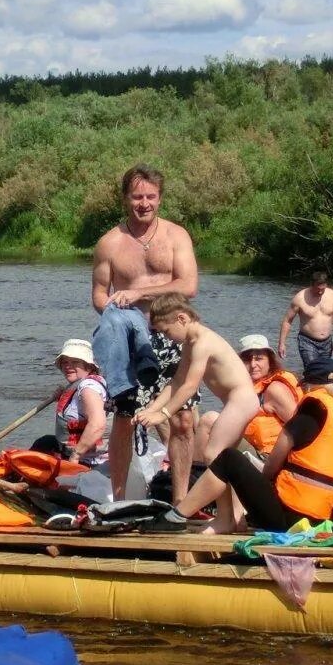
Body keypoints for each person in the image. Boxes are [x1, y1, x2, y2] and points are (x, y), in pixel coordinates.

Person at [90, 164, 199, 500]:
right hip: (128, 340)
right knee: (124, 419)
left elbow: (188, 285)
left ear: (160, 199)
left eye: (151, 196)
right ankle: (119, 500)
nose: (144, 203)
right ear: (126, 198)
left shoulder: (176, 235)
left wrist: (139, 294)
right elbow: (98, 294)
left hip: (174, 334)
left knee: (182, 420)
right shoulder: (110, 242)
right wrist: (115, 311)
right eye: (137, 196)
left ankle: (180, 502)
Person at [201, 358, 333, 533]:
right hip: (329, 519)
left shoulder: (309, 415)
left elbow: (269, 470)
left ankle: (180, 515)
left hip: (290, 518)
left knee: (229, 458)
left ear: (310, 388)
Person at [135, 295, 262, 524]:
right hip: (235, 401)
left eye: (166, 331)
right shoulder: (189, 344)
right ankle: (235, 517)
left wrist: (162, 415)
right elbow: (176, 382)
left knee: (214, 456)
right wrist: (151, 408)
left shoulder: (203, 342)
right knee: (224, 460)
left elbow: (190, 386)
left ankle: (224, 519)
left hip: (242, 400)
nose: (166, 338)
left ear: (181, 318)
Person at [47, 339, 109, 467]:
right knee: (44, 442)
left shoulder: (88, 389)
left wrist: (75, 456)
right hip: (77, 454)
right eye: (65, 362)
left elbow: (98, 425)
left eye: (75, 362)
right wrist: (64, 395)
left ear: (89, 365)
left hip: (90, 462)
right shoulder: (87, 383)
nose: (68, 366)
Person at [278, 270, 333, 373]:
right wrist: (282, 343)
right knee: (313, 369)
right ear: (311, 285)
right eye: (317, 289)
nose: (320, 292)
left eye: (322, 289)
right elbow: (287, 321)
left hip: (327, 342)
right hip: (307, 341)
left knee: (325, 371)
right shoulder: (300, 298)